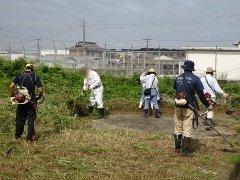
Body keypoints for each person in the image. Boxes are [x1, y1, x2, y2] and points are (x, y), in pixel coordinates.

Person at [173, 60, 214, 156]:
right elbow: (201, 95)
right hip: (189, 108)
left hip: (178, 106)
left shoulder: (177, 78)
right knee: (187, 128)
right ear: (192, 69)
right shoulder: (195, 79)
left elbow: (176, 90)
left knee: (178, 128)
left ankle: (177, 149)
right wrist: (208, 105)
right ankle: (185, 151)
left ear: (184, 68)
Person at [10, 64, 43, 142]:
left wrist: (13, 95)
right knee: (31, 121)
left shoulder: (19, 75)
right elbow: (40, 90)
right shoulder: (35, 77)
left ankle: (17, 137)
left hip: (21, 101)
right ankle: (29, 139)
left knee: (20, 119)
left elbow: (11, 86)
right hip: (31, 102)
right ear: (32, 69)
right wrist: (38, 97)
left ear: (25, 68)